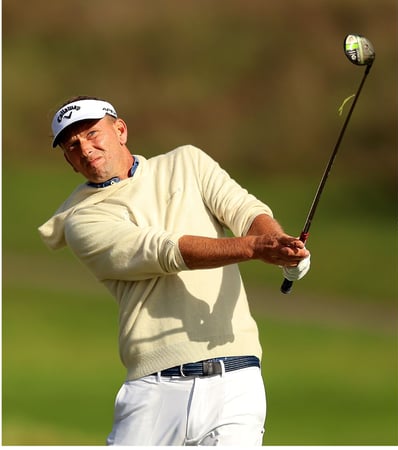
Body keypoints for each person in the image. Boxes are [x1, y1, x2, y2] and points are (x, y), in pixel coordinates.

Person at [38, 96, 311, 445]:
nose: (85, 149)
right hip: (152, 392)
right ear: (68, 161)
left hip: (235, 380)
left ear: (119, 130)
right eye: (72, 145)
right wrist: (257, 249)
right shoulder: (81, 221)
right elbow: (162, 250)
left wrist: (284, 247)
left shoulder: (187, 162)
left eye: (93, 134)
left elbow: (245, 212)